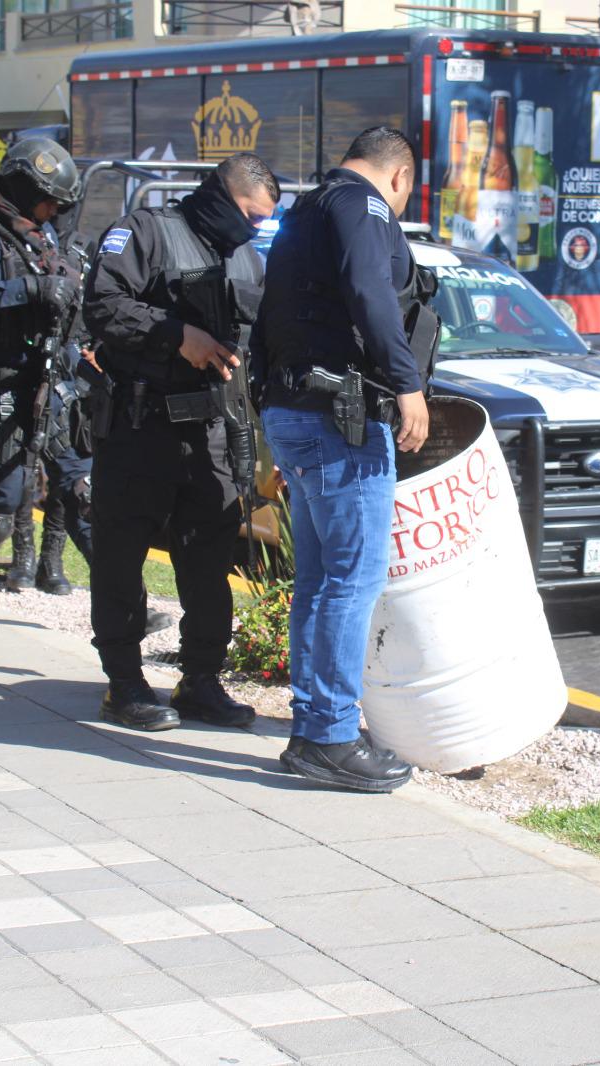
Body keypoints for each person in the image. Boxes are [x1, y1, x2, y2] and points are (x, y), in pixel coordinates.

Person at [252, 127, 431, 792]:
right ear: (400, 177)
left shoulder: (306, 207)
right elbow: (370, 289)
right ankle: (328, 735)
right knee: (353, 581)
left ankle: (313, 726)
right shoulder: (365, 206)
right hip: (340, 418)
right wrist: (407, 382)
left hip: (295, 410)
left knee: (321, 581)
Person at [82, 152, 278, 731]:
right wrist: (176, 335)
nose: (253, 228)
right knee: (122, 557)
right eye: (248, 213)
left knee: (209, 561)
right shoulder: (147, 231)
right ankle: (124, 684)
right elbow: (102, 305)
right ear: (220, 194)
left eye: (262, 220)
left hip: (213, 432)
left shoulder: (246, 258)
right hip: (140, 428)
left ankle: (201, 681)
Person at [0, 136, 94, 636]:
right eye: (49, 201)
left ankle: (125, 604)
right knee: (1, 503)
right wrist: (29, 289)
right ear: (25, 187)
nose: (53, 213)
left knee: (84, 489)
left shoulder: (39, 234)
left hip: (52, 380)